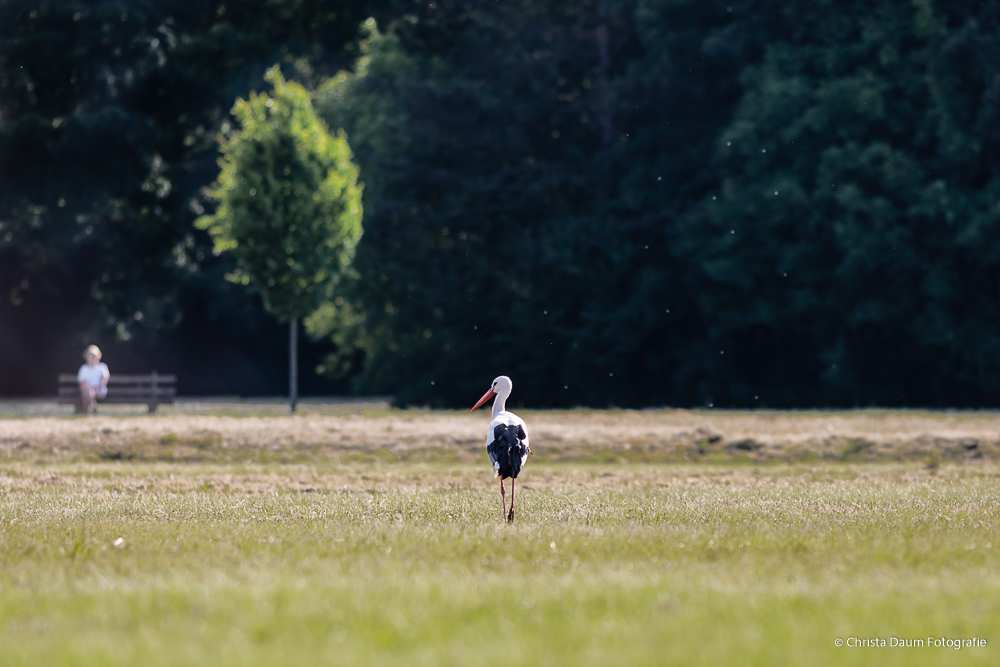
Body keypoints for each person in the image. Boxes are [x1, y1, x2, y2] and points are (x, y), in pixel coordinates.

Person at [77, 345, 110, 414]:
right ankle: (92, 406)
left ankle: (86, 411)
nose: (91, 358)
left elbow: (104, 381)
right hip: (87, 390)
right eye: (89, 356)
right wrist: (90, 390)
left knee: (88, 393)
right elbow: (82, 383)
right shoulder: (84, 368)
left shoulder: (102, 367)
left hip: (99, 390)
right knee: (87, 391)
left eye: (93, 356)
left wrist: (93, 389)